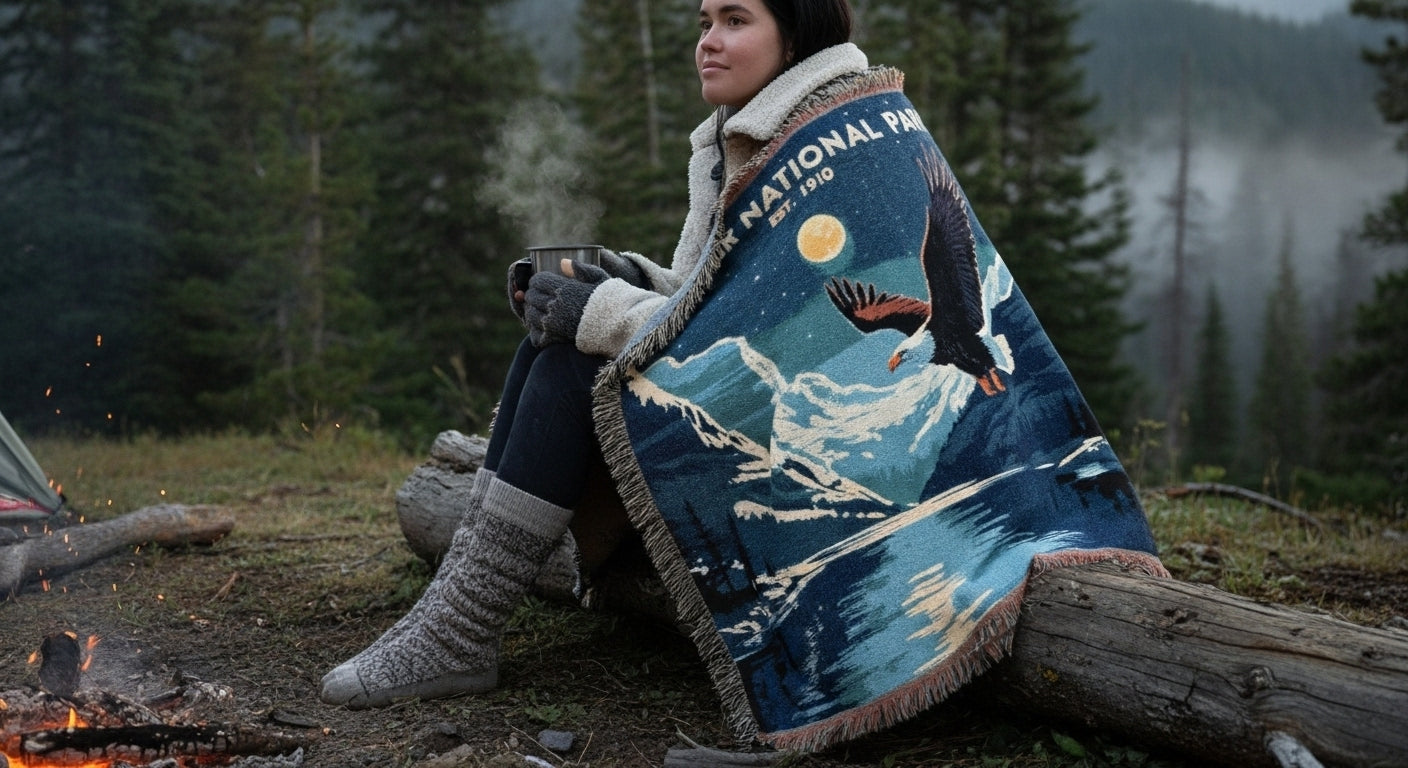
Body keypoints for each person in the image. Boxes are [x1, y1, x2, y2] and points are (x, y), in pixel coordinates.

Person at [319, 0, 865, 709]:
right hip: (759, 418)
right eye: (704, 23)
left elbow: (770, 331)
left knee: (577, 365)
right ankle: (453, 619)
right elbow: (709, 292)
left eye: (736, 20)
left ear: (797, 38)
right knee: (550, 349)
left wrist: (601, 314)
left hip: (825, 453)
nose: (708, 42)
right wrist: (621, 279)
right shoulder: (746, 133)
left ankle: (458, 630)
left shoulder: (828, 146)